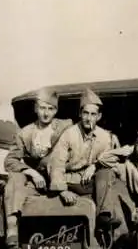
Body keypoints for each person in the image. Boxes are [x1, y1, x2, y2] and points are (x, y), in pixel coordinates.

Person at [3, 89, 72, 247]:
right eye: (42, 108)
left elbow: (83, 134)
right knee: (15, 178)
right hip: (37, 185)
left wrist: (111, 137)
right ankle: (12, 226)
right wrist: (32, 173)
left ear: (55, 110)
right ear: (36, 109)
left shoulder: (65, 126)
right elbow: (10, 161)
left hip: (62, 180)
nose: (46, 113)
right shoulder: (25, 133)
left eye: (50, 109)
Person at [47, 88, 121, 231]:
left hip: (90, 181)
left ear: (98, 117)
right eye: (85, 113)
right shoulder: (69, 134)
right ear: (80, 114)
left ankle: (104, 218)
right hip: (70, 181)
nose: (88, 118)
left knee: (110, 175)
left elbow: (108, 159)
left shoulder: (105, 137)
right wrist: (62, 191)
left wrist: (94, 166)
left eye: (93, 114)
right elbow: (56, 164)